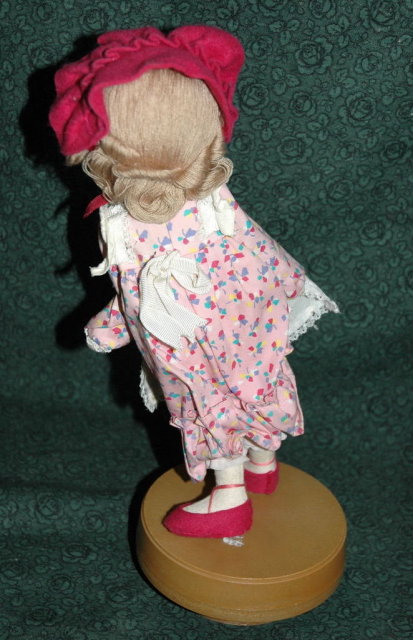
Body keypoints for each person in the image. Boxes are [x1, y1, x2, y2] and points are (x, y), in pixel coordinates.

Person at [50, 26, 338, 539]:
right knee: (257, 383)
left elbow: (139, 296)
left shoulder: (124, 226)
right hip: (246, 324)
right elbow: (253, 250)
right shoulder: (214, 200)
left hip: (195, 348)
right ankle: (263, 466)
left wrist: (108, 327)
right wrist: (278, 290)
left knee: (211, 402)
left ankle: (230, 497)